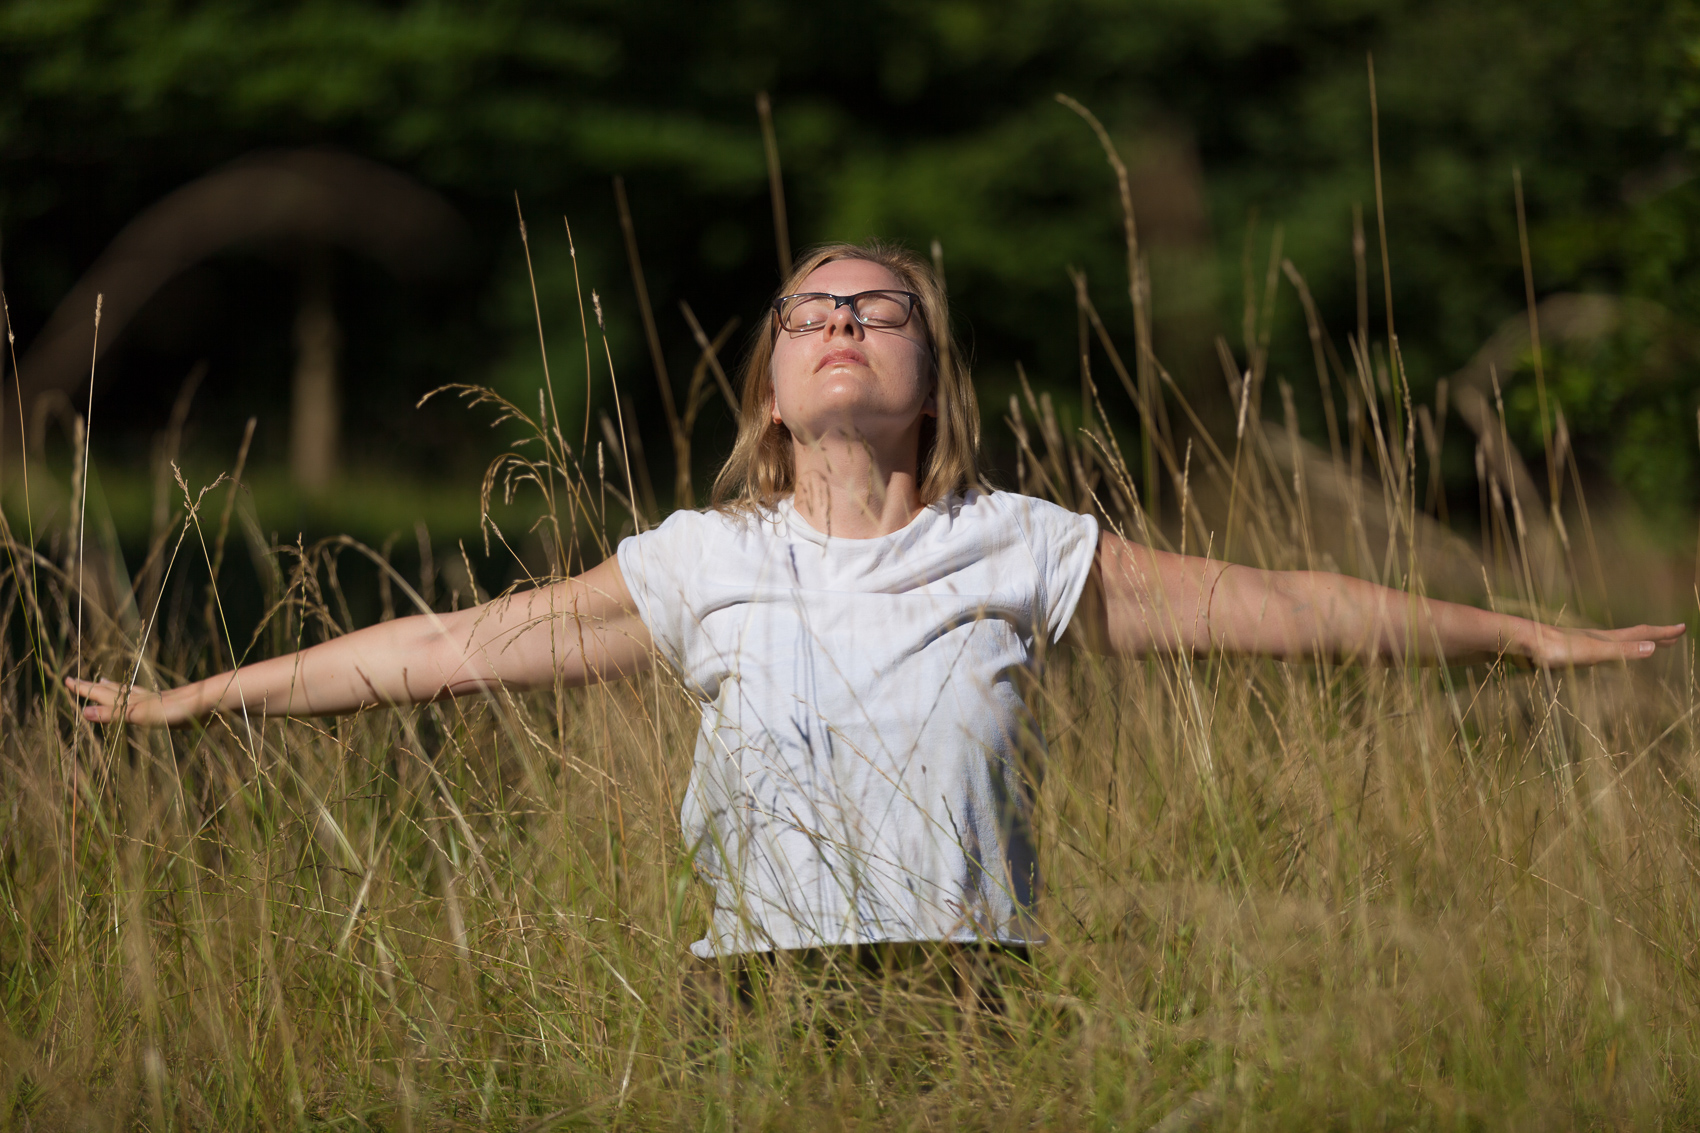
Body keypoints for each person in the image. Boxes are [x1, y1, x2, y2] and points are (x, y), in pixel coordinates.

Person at [69, 241, 1684, 967]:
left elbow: (1283, 602)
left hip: (974, 985)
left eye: (881, 308)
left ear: (927, 376)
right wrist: (193, 698)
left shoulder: (1019, 546)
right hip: (749, 1003)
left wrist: (1526, 636)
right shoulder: (702, 559)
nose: (843, 320)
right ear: (773, 382)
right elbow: (438, 647)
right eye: (810, 308)